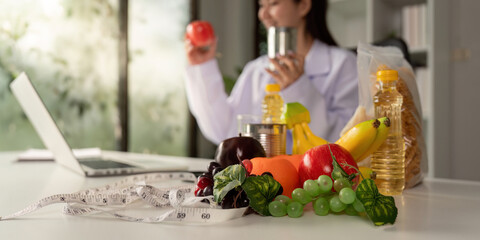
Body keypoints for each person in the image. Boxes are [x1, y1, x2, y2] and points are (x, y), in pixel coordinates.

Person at [184, 0, 358, 149]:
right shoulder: (256, 70)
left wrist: (298, 88)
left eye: (274, 3)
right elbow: (224, 131)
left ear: (303, 5)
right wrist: (203, 67)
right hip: (259, 181)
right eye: (262, 5)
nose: (264, 14)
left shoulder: (343, 64)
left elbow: (346, 139)